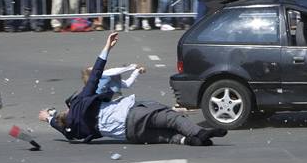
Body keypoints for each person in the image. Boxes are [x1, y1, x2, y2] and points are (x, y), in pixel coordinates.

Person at [39, 32, 227, 146]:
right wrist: (107, 47)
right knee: (169, 117)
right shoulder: (79, 103)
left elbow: (63, 129)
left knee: (164, 136)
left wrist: (49, 118)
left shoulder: (75, 130)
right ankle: (199, 133)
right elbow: (96, 73)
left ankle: (189, 141)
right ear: (71, 106)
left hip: (128, 134)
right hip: (130, 115)